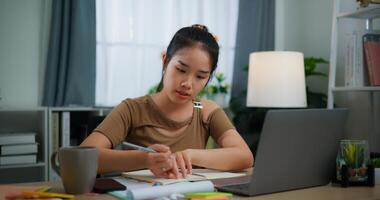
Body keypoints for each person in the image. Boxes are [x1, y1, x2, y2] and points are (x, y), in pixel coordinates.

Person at [81, 24, 253, 179]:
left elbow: (245, 157)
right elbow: (83, 157)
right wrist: (145, 159)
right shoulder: (133, 109)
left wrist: (189, 156)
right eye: (180, 69)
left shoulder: (205, 110)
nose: (187, 84)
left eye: (200, 76)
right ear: (165, 60)